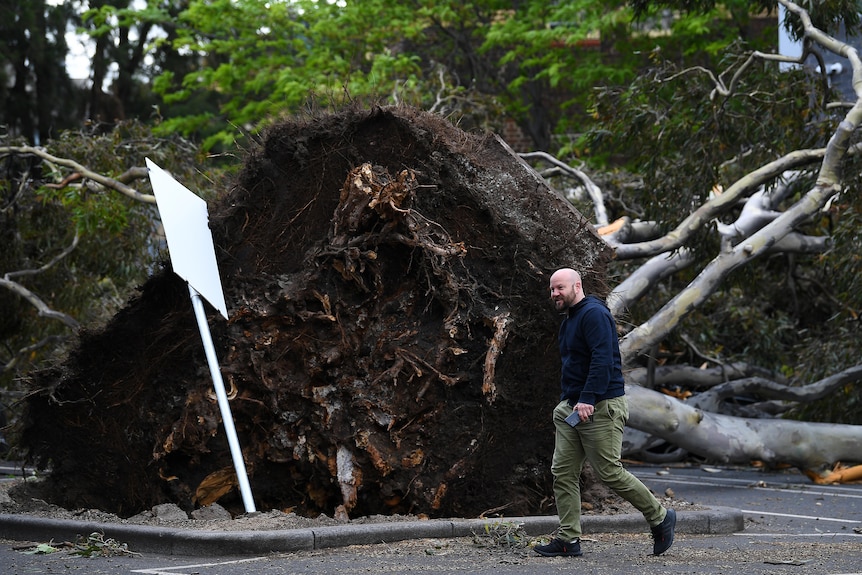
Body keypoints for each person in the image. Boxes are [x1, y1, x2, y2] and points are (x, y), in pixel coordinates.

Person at [534, 267, 676, 557]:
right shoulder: (571, 320)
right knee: (562, 472)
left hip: (599, 406)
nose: (555, 294)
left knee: (609, 472)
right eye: (552, 289)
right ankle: (568, 540)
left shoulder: (594, 314)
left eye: (560, 287)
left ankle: (660, 517)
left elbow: (604, 358)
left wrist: (587, 398)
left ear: (577, 285)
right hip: (573, 408)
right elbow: (575, 364)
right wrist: (567, 402)